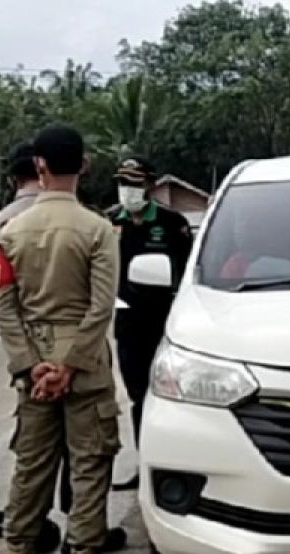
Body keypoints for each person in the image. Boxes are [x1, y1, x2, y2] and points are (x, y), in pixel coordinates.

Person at [0, 124, 130, 554]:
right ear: (85, 166)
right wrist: (69, 364)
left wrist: (33, 365)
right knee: (91, 462)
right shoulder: (97, 230)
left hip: (31, 365)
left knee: (32, 463)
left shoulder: (10, 232)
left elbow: (4, 308)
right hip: (86, 363)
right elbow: (101, 305)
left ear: (39, 167)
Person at [109, 156, 192, 491]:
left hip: (164, 321)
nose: (128, 190)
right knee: (138, 396)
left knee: (173, 396)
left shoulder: (173, 223)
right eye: (123, 183)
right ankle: (145, 466)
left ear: (149, 185)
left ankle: (177, 467)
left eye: (134, 183)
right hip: (128, 321)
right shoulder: (111, 222)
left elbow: (187, 272)